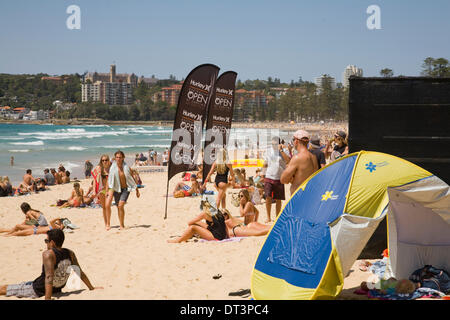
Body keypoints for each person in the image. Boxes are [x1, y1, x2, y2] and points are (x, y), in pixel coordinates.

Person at [0, 228, 102, 299]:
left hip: (37, 290)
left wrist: (47, 298)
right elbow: (79, 272)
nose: (46, 243)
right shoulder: (70, 253)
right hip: (54, 289)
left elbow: (49, 277)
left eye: (46, 240)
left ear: (52, 242)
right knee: (12, 286)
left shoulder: (48, 254)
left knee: (5, 289)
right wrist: (91, 288)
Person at [106, 150, 140, 230]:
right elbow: (109, 180)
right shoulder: (112, 168)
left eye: (120, 157)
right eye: (117, 157)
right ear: (115, 158)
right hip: (117, 189)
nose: (118, 159)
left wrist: (137, 190)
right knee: (119, 207)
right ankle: (121, 224)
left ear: (123, 158)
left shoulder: (127, 167)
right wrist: (107, 191)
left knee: (121, 205)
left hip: (126, 189)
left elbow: (132, 179)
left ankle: (122, 226)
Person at [280, 129, 318, 195]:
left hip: (298, 196)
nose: (293, 142)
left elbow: (283, 179)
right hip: (310, 194)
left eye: (293, 139)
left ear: (297, 141)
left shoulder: (297, 158)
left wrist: (290, 174)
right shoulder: (313, 157)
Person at [263, 136, 290, 223]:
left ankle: (277, 217)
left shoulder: (283, 151)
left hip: (279, 177)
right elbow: (265, 163)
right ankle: (268, 217)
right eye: (272, 144)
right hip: (269, 176)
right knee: (268, 197)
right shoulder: (268, 151)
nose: (274, 145)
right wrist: (263, 174)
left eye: (275, 144)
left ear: (279, 144)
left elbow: (288, 160)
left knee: (278, 199)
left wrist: (281, 150)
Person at [91, 155, 112, 230]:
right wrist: (94, 191)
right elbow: (94, 181)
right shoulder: (99, 169)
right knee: (103, 207)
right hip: (101, 190)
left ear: (108, 160)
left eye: (106, 160)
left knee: (107, 206)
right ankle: (106, 223)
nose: (104, 162)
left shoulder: (111, 168)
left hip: (110, 189)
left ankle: (108, 223)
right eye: (103, 160)